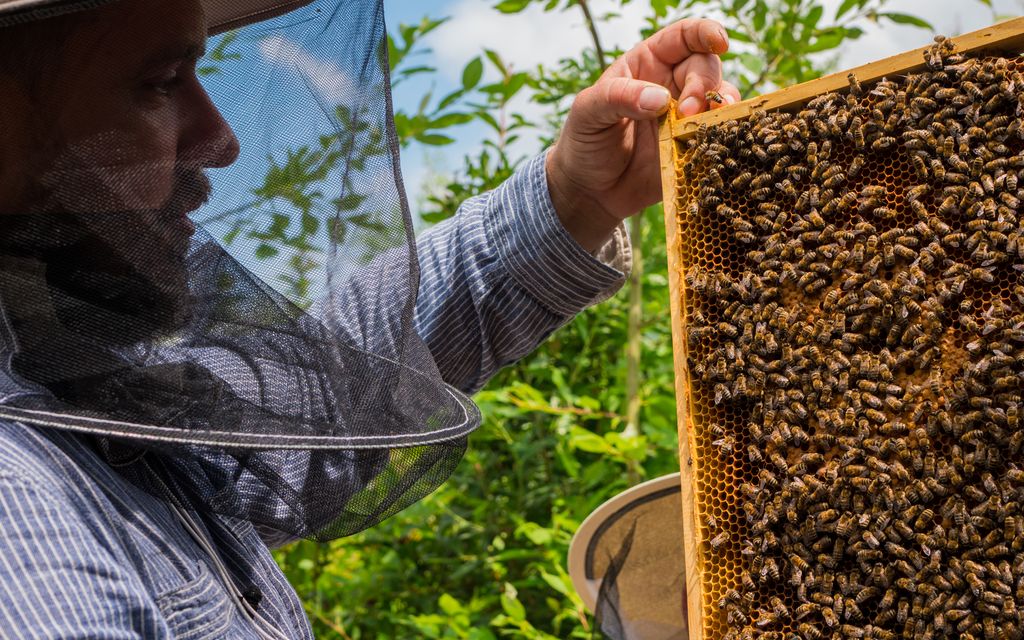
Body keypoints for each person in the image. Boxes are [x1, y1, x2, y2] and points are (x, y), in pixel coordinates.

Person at [0, 0, 738, 636]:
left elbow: (326, 385)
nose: (221, 140)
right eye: (160, 83)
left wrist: (575, 197)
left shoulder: (74, 388)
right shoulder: (22, 518)